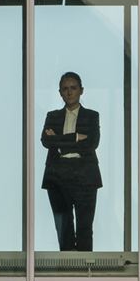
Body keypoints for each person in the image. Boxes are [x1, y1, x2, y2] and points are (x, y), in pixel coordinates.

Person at [41, 72, 101, 251]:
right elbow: (46, 142)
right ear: (60, 92)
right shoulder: (52, 116)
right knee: (64, 230)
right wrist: (75, 138)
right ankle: (67, 273)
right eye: (65, 89)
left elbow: (92, 143)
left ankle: (85, 273)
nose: (69, 92)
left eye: (73, 88)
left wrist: (59, 141)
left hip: (85, 176)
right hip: (57, 177)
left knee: (84, 229)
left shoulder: (91, 116)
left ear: (81, 91)